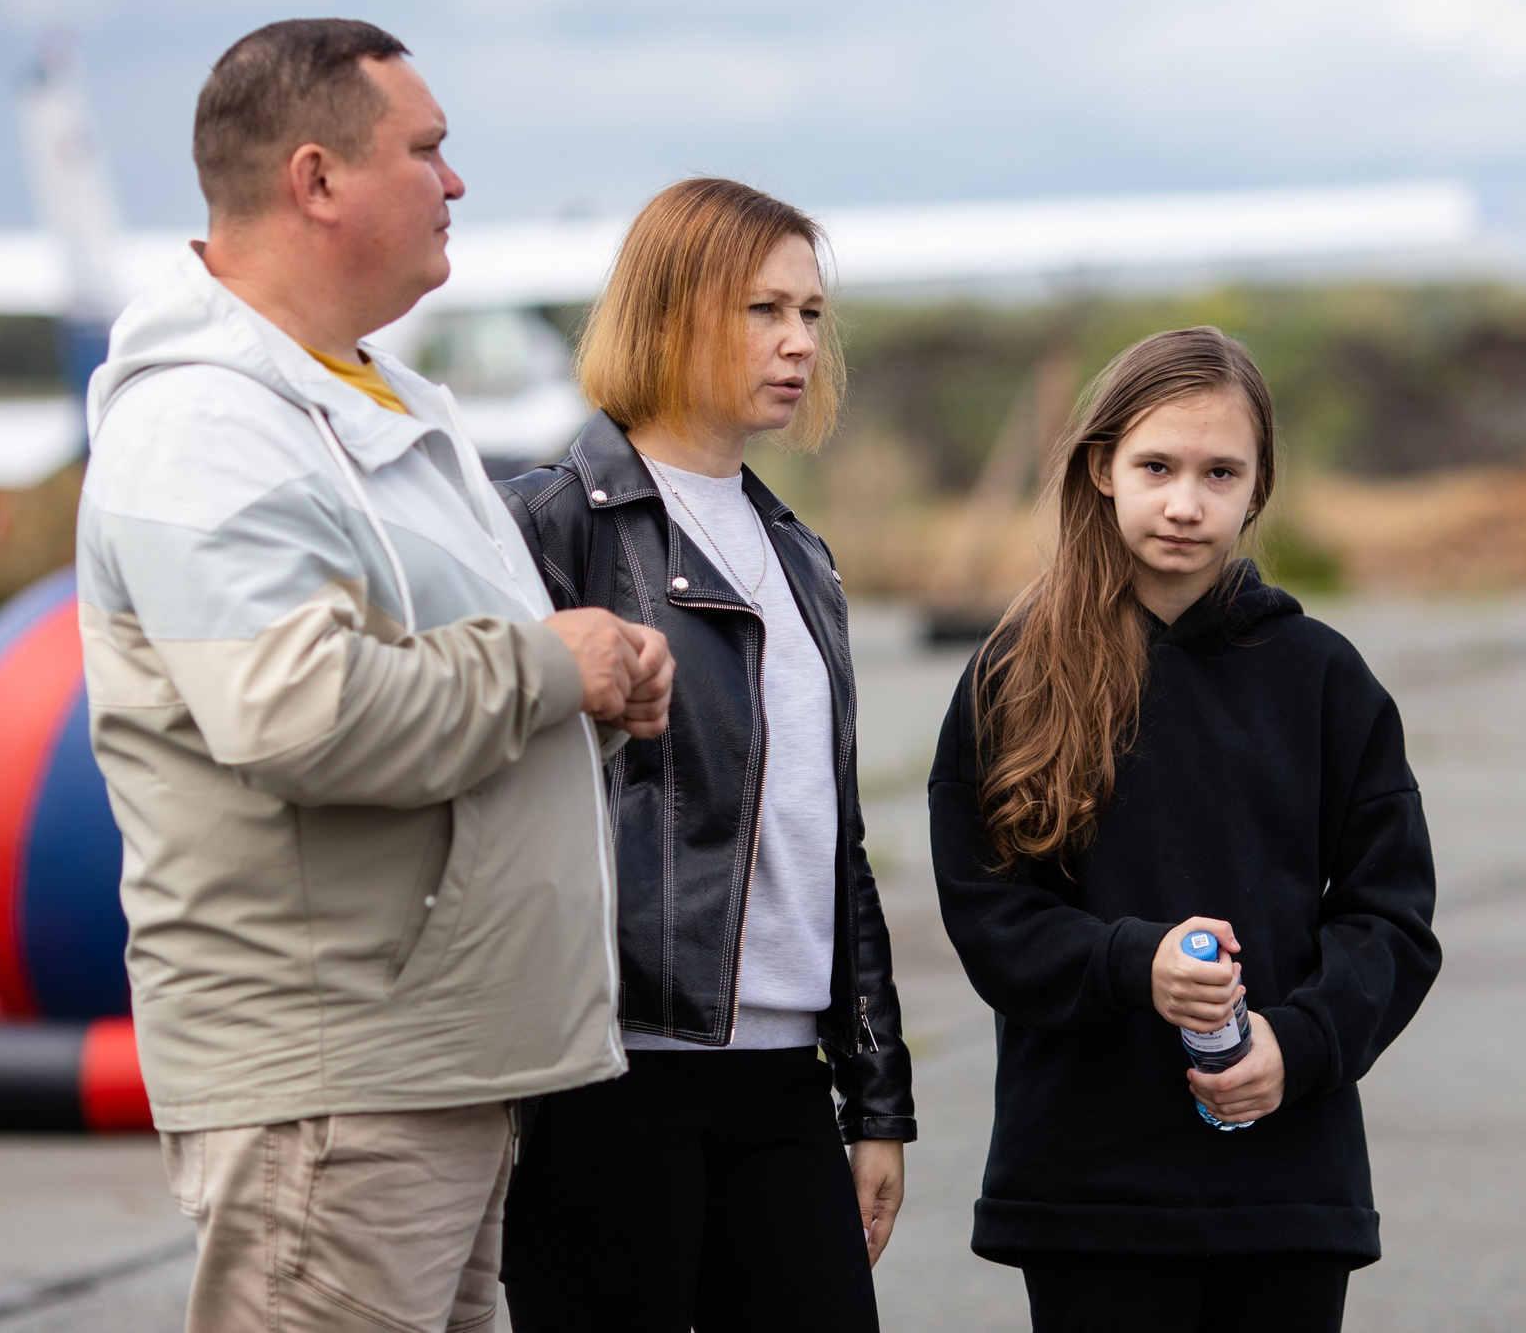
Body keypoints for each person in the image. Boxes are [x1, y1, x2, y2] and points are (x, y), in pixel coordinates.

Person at [77, 18, 675, 1333]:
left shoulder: (372, 399)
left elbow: (451, 685)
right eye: (428, 148)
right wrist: (548, 664)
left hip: (433, 1062)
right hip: (337, 1081)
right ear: (317, 180)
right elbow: (297, 713)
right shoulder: (205, 423)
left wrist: (595, 693)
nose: (456, 182)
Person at [928, 327, 1440, 1333]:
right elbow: (991, 919)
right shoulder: (1015, 672)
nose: (1183, 501)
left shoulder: (1322, 678)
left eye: (1219, 473)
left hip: (1283, 1182)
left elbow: (1392, 915)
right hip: (1090, 1188)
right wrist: (1134, 965)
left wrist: (1299, 1045)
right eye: (1156, 466)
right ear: (1100, 469)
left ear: (1257, 490)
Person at [495, 178, 915, 1332]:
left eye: (812, 314)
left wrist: (876, 1099)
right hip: (607, 1073)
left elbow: (831, 841)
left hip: (784, 1079)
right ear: (672, 309)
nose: (797, 342)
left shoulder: (799, 556)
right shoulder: (546, 525)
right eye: (762, 310)